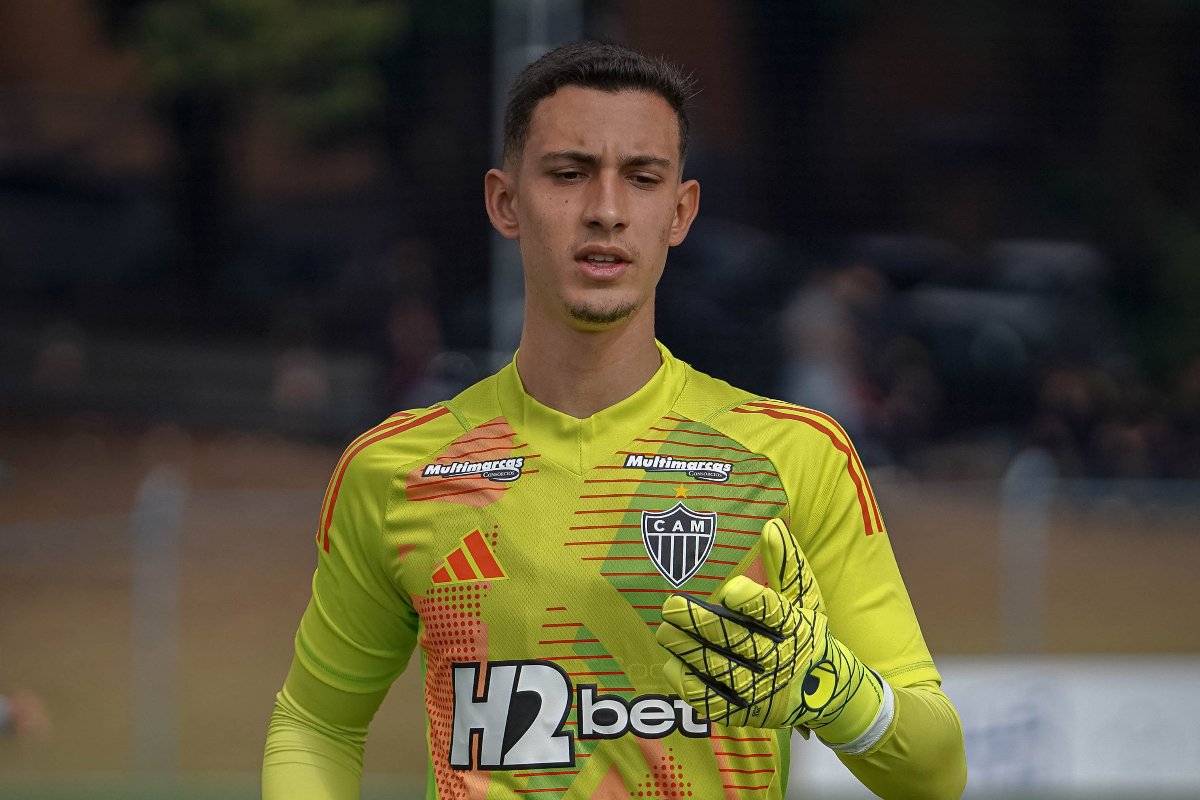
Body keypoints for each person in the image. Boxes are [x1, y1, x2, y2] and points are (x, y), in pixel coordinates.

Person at [263, 41, 967, 799]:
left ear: (680, 211)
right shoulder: (399, 470)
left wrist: (834, 691)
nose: (605, 210)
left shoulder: (792, 454)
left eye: (642, 178)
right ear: (505, 202)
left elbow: (936, 774)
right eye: (568, 174)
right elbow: (316, 723)